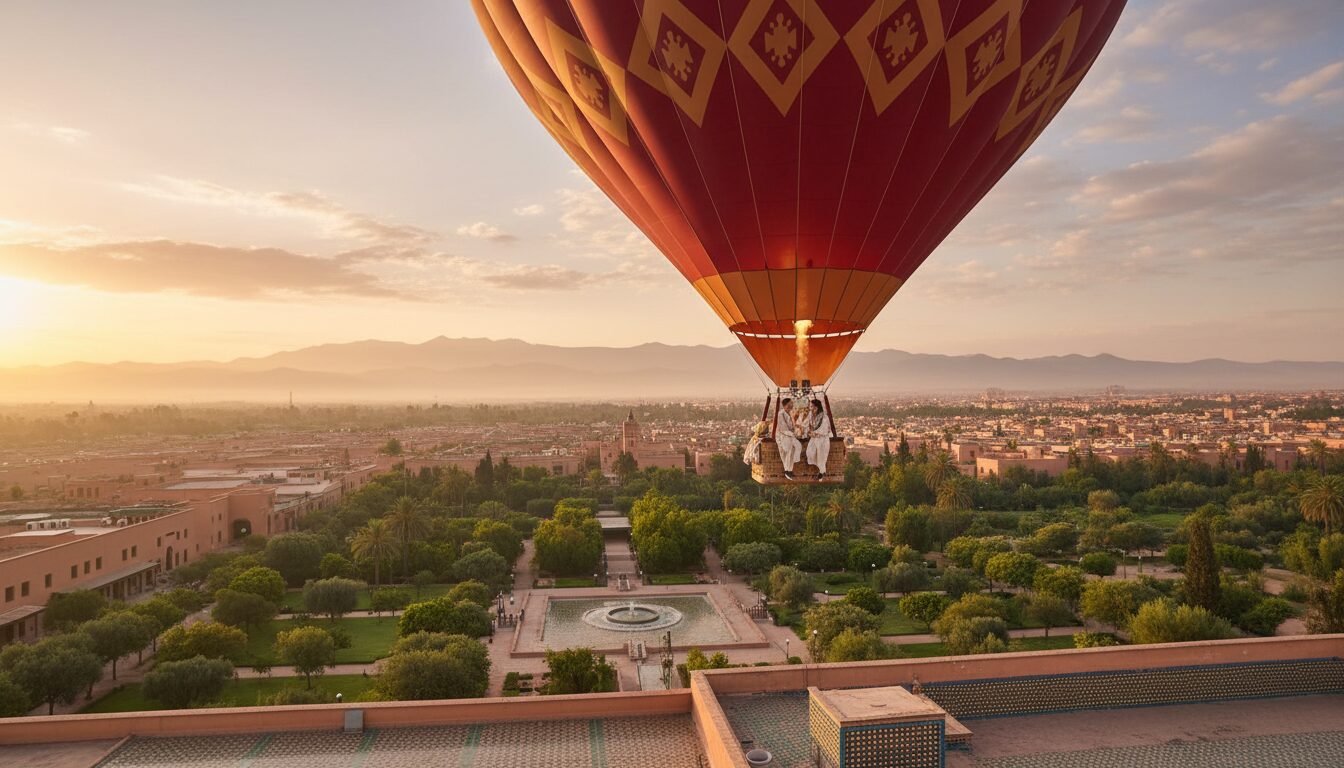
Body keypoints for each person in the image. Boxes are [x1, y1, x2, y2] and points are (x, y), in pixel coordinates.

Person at [775, 397, 802, 480]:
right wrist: (792, 433)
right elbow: (783, 428)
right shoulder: (781, 414)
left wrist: (796, 430)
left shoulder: (789, 413)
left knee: (797, 446)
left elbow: (791, 426)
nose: (791, 405)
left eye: (791, 404)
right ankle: (787, 470)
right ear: (785, 405)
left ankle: (789, 469)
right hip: (782, 436)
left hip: (789, 435)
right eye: (789, 404)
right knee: (789, 450)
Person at [805, 399, 833, 476]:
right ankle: (821, 471)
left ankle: (822, 472)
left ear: (816, 408)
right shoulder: (810, 415)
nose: (810, 408)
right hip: (814, 439)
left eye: (811, 406)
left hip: (822, 439)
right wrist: (809, 432)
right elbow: (807, 425)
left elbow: (825, 430)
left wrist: (815, 434)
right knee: (810, 453)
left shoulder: (823, 417)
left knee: (821, 457)